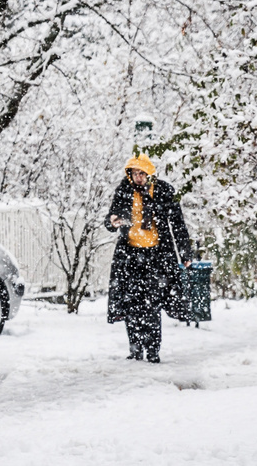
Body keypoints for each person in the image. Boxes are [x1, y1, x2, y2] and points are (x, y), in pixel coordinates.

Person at [104, 154, 192, 363]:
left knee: (152, 303)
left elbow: (178, 225)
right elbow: (111, 220)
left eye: (142, 173)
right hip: (130, 255)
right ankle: (135, 349)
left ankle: (152, 350)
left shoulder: (163, 191)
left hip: (157, 256)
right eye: (134, 173)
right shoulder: (124, 191)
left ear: (149, 174)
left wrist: (185, 253)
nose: (138, 177)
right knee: (131, 303)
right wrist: (112, 222)